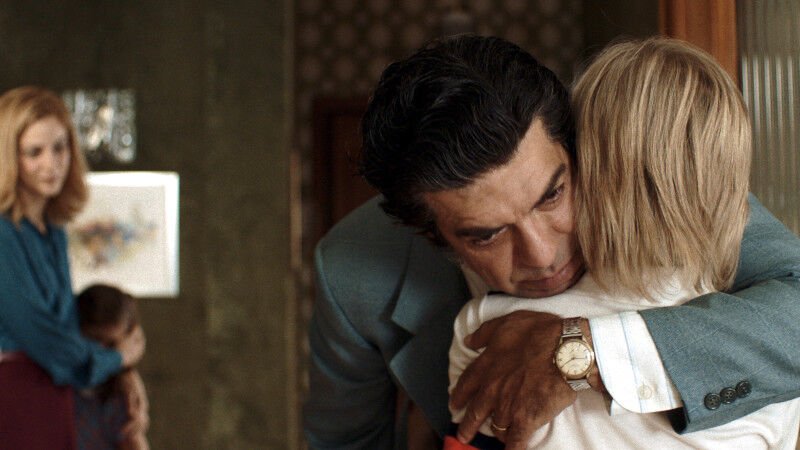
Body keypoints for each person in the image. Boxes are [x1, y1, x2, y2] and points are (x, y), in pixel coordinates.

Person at [303, 35, 800, 449]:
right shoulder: (351, 273)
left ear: (576, 144)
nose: (542, 255)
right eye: (488, 235)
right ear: (431, 234)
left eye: (553, 195)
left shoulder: (647, 170)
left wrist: (588, 353)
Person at [0, 86, 146, 449]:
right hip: (14, 399)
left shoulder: (53, 231)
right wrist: (115, 360)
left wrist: (124, 373)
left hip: (55, 397)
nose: (52, 164)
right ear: (9, 157)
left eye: (60, 147)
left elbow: (68, 326)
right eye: (34, 152)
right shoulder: (2, 234)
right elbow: (42, 336)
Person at [75, 284, 150, 450]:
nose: (100, 354)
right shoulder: (53, 377)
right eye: (93, 341)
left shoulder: (121, 401)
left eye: (110, 345)